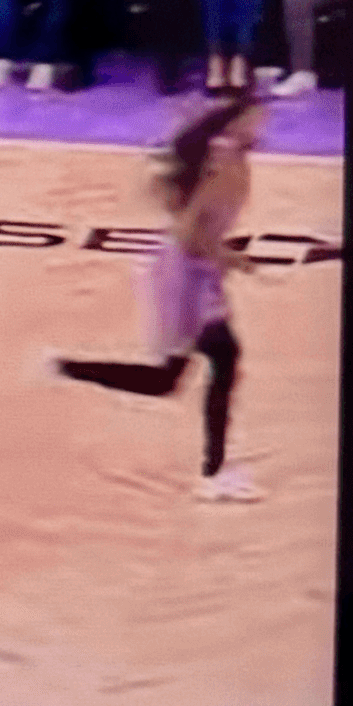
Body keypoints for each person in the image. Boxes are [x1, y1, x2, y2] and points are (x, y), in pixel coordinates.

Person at [57, 96, 271, 501]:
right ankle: (213, 474)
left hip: (192, 272)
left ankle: (64, 367)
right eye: (256, 119)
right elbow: (192, 234)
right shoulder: (223, 164)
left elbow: (192, 223)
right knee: (208, 364)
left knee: (178, 376)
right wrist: (230, 258)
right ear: (236, 123)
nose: (262, 128)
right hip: (184, 276)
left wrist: (221, 257)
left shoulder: (223, 157)